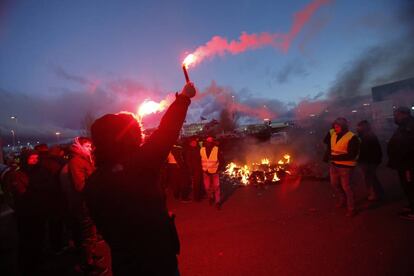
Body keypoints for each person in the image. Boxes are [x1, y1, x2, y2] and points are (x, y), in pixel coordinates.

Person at [84, 82, 196, 275]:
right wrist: (184, 99)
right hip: (157, 261)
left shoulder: (93, 183)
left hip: (125, 263)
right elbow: (166, 133)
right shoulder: (138, 166)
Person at [67, 137, 106, 275]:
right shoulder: (76, 162)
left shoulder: (84, 160)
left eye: (91, 145)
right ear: (79, 146)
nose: (90, 148)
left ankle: (91, 255)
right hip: (84, 204)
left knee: (92, 232)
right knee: (88, 235)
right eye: (87, 146)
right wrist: (97, 183)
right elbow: (80, 186)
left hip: (90, 202)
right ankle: (87, 264)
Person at [324, 117, 360, 217]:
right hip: (334, 165)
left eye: (337, 126)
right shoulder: (334, 134)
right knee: (334, 184)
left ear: (343, 127)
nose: (335, 128)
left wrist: (335, 157)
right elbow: (328, 144)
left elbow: (352, 154)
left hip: (346, 167)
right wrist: (328, 156)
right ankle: (343, 200)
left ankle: (351, 208)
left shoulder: (352, 137)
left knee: (347, 188)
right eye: (334, 126)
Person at [387, 107, 414, 221]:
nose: (395, 117)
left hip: (408, 164)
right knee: (407, 186)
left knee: (410, 186)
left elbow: (408, 146)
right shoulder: (405, 125)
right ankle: (412, 205)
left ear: (404, 114)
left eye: (396, 115)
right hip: (404, 163)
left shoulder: (409, 126)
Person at [356, 120, 384, 203]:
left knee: (368, 178)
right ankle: (378, 192)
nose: (357, 127)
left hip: (368, 161)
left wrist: (376, 160)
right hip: (366, 160)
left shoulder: (368, 136)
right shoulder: (362, 136)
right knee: (371, 178)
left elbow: (375, 150)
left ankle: (373, 194)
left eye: (359, 126)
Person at [200, 136, 222, 209]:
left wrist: (218, 168)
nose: (208, 143)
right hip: (205, 172)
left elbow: (222, 160)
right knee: (207, 187)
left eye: (210, 142)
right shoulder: (202, 150)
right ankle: (211, 197)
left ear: (212, 142)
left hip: (215, 171)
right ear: (205, 142)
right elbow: (200, 160)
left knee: (216, 187)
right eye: (207, 142)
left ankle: (217, 201)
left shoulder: (217, 149)